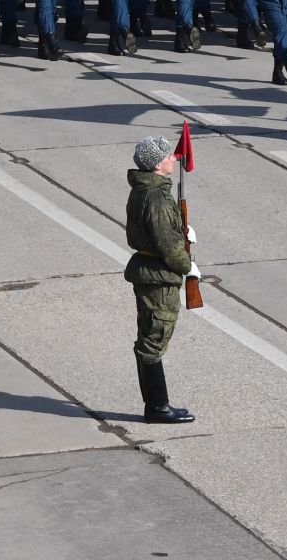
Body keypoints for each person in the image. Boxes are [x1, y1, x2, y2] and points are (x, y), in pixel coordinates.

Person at [126, 135, 195, 423]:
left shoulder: (146, 190)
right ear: (157, 164)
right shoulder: (156, 197)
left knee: (151, 336)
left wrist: (183, 231)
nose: (173, 159)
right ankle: (157, 407)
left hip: (150, 271)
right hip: (159, 277)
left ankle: (158, 404)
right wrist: (188, 266)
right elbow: (167, 245)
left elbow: (162, 232)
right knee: (154, 340)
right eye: (168, 156)